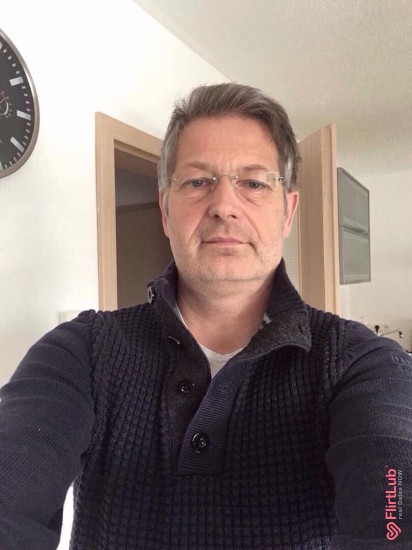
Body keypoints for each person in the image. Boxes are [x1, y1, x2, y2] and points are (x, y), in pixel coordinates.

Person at [0, 83, 411, 550]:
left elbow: (394, 511)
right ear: (165, 210)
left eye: (254, 183)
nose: (224, 206)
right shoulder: (80, 352)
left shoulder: (362, 363)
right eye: (197, 182)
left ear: (288, 212)